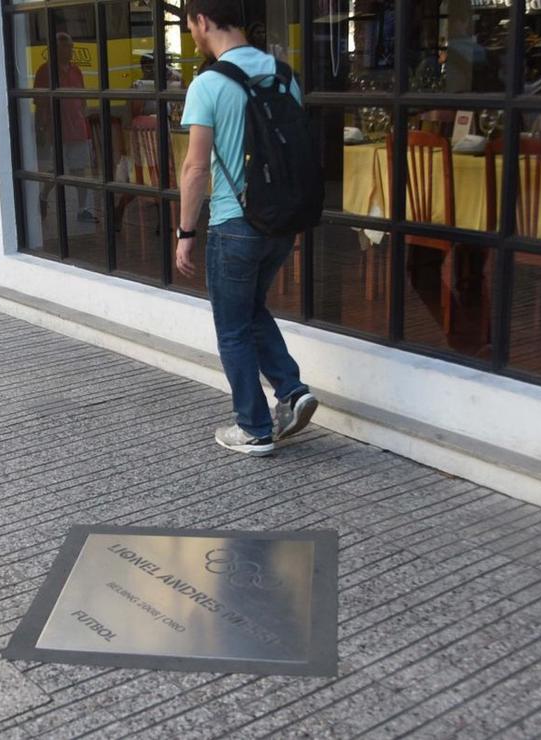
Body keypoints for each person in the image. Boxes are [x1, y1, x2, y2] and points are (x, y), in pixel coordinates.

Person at [174, 0, 317, 456]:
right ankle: (292, 393)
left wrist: (185, 232)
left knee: (232, 327)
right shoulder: (284, 74)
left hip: (234, 223)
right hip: (281, 221)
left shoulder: (209, 83)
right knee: (252, 309)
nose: (192, 34)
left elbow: (196, 168)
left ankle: (254, 428)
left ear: (201, 21)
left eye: (190, 24)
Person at [34, 32, 95, 223]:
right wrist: (42, 129)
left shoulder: (76, 71)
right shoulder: (45, 71)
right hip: (57, 130)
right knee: (55, 171)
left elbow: (82, 99)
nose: (70, 50)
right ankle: (43, 196)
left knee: (79, 171)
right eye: (65, 46)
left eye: (71, 46)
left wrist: (83, 120)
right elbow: (40, 103)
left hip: (77, 129)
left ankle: (82, 209)